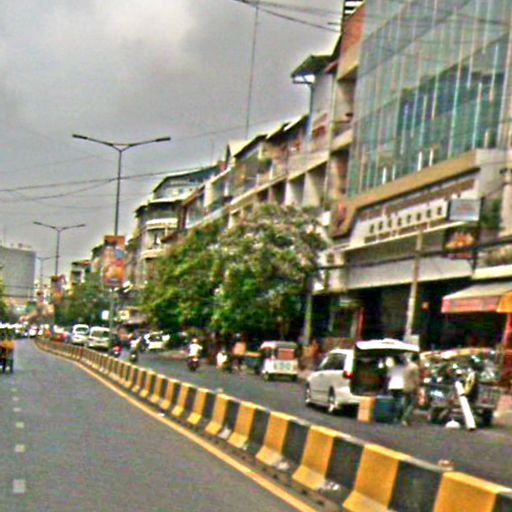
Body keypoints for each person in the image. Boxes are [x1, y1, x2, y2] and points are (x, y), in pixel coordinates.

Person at [401, 353, 421, 426]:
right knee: (412, 404)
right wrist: (418, 389)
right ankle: (405, 418)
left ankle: (406, 421)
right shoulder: (415, 367)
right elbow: (416, 380)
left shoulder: (407, 366)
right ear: (417, 359)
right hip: (412, 387)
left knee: (406, 404)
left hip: (405, 386)